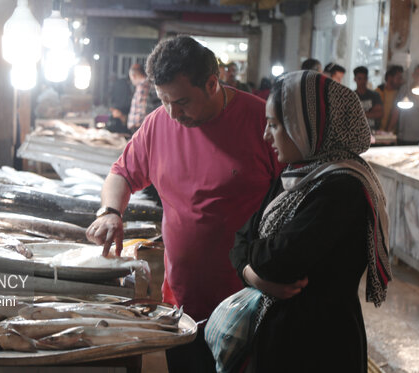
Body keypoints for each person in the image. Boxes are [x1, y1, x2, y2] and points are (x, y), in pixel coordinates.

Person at [86, 36, 282, 373]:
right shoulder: (158, 123)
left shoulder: (260, 121)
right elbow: (121, 173)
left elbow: (294, 198)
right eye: (164, 101)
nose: (173, 114)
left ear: (211, 83)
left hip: (249, 304)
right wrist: (111, 212)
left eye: (182, 102)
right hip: (182, 307)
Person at [230, 70, 391, 372]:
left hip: (319, 347)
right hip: (282, 338)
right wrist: (254, 275)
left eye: (274, 125)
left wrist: (252, 258)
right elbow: (240, 238)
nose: (266, 135)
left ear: (304, 127)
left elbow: (279, 260)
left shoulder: (342, 187)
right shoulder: (296, 176)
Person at [388, 64, 419, 144]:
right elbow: (396, 112)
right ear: (413, 75)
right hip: (405, 136)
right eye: (418, 74)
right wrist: (389, 131)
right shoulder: (404, 89)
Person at [375, 65, 404, 132]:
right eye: (398, 78)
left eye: (401, 78)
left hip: (393, 133)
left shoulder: (400, 93)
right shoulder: (378, 91)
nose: (401, 81)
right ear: (389, 77)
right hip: (378, 131)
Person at [353, 66, 383, 130]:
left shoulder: (375, 95)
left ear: (367, 79)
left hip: (372, 130)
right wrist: (370, 113)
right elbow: (350, 115)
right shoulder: (351, 96)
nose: (362, 82)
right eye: (359, 79)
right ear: (355, 79)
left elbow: (379, 114)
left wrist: (358, 114)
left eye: (364, 78)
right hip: (355, 130)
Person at [126, 63, 152, 133]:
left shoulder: (143, 85)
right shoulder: (146, 84)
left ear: (133, 76)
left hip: (138, 127)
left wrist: (140, 126)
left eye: (130, 78)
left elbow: (143, 108)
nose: (131, 81)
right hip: (139, 126)